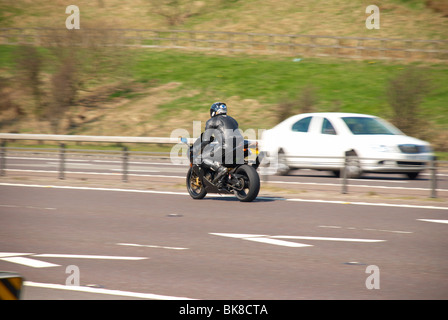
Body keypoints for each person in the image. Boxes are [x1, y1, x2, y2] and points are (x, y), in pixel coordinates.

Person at [192, 102, 244, 185]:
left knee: (200, 159)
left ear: (214, 111)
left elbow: (206, 140)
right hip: (240, 145)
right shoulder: (233, 120)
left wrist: (199, 149)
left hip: (225, 146)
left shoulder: (211, 121)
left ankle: (220, 169)